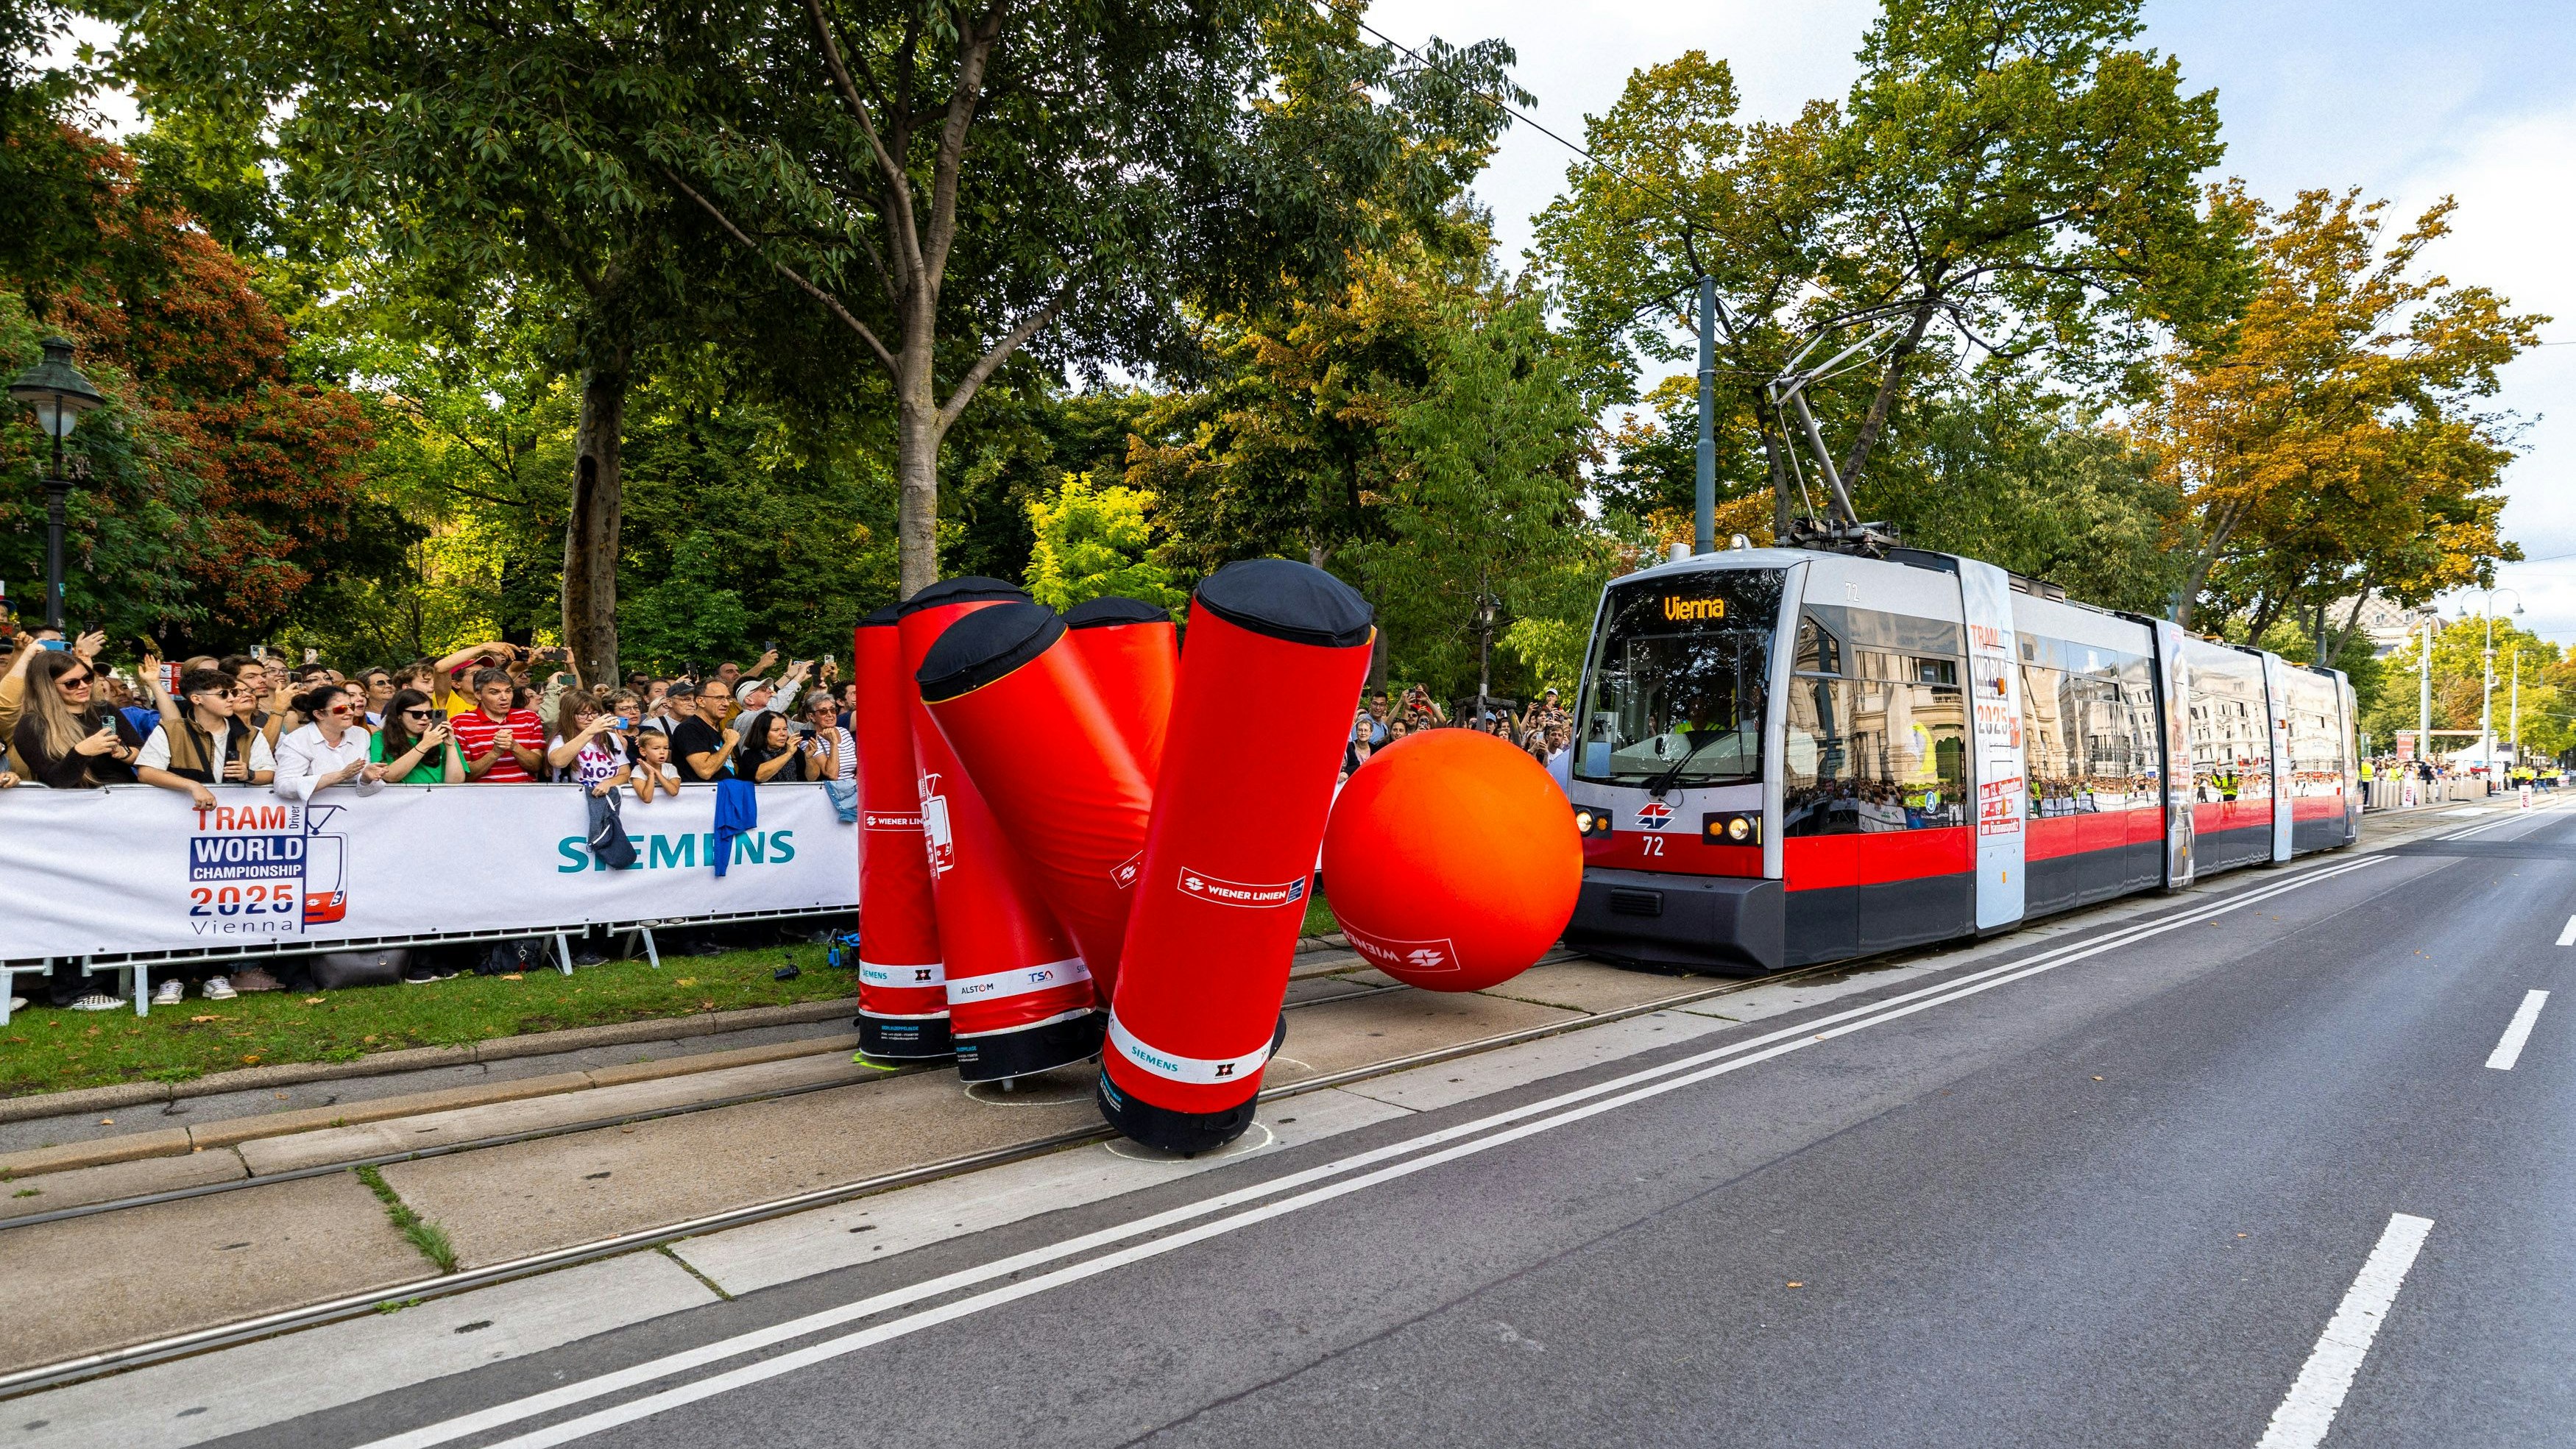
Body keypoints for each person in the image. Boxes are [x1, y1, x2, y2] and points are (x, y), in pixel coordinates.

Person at [137, 666, 277, 808]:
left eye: (233, 692)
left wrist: (249, 774)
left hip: (234, 816)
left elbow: (269, 773)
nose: (231, 699)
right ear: (197, 699)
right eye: (223, 694)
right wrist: (192, 786)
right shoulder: (171, 730)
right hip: (181, 815)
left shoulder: (250, 733)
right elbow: (147, 772)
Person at [13, 650, 144, 790]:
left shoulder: (105, 708)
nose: (83, 686)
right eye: (71, 683)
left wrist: (123, 753)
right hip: (75, 805)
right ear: (48, 687)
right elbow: (57, 780)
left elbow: (142, 753)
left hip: (125, 797)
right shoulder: (32, 724)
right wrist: (82, 752)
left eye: (87, 678)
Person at [272, 681, 383, 801]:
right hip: (313, 812)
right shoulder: (297, 740)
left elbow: (364, 789)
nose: (351, 713)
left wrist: (366, 778)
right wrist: (340, 776)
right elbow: (284, 786)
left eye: (351, 706)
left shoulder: (361, 734)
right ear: (319, 714)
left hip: (355, 810)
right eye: (341, 709)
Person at [449, 667, 545, 782]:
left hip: (525, 794)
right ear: (479, 694)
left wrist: (514, 747)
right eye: (495, 692)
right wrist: (495, 753)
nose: (504, 698)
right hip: (480, 796)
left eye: (508, 691)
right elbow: (464, 776)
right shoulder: (459, 723)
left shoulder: (529, 718)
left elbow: (537, 766)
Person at [369, 689, 466, 784]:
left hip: (437, 797)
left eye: (429, 714)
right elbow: (389, 776)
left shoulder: (440, 736)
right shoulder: (380, 738)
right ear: (399, 714)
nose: (425, 718)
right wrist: (425, 745)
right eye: (417, 714)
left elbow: (455, 782)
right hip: (402, 797)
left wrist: (450, 746)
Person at [547, 691, 628, 790]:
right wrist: (590, 731)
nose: (590, 718)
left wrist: (608, 783)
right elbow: (558, 762)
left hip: (607, 797)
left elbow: (625, 773)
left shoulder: (610, 737)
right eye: (582, 714)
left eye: (594, 713)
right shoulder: (561, 738)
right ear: (569, 716)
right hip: (572, 799)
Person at [670, 677, 738, 782]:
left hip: (723, 794)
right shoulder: (689, 729)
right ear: (701, 701)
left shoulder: (718, 729)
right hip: (703, 797)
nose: (726, 703)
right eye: (719, 698)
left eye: (728, 698)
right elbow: (705, 771)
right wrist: (729, 744)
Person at [804, 688, 855, 821]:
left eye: (833, 710)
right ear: (811, 716)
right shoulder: (808, 739)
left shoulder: (843, 732)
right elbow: (832, 774)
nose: (830, 715)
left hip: (855, 793)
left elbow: (858, 762)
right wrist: (833, 744)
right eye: (823, 711)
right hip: (828, 798)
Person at [733, 709, 803, 783]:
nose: (783, 734)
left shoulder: (795, 751)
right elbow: (760, 776)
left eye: (785, 729)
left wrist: (809, 758)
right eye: (776, 730)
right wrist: (788, 754)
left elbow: (811, 777)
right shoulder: (750, 754)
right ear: (763, 733)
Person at [630, 728, 682, 801]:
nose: (662, 752)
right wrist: (651, 774)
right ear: (643, 751)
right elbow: (647, 799)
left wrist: (656, 773)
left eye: (666, 748)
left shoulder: (670, 768)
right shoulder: (638, 770)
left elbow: (674, 792)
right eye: (656, 748)